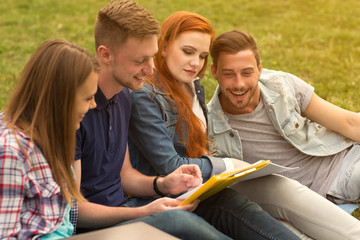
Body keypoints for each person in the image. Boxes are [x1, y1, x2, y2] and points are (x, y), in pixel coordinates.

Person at [128, 13, 360, 240]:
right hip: (179, 193)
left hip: (341, 161)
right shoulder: (149, 96)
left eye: (201, 56)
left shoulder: (193, 87)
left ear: (259, 69)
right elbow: (172, 165)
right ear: (165, 47)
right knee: (278, 194)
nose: (195, 63)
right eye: (188, 52)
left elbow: (350, 121)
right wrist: (228, 165)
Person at [73, 1, 242, 239]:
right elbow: (71, 210)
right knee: (180, 222)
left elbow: (124, 176)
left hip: (126, 208)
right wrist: (141, 212)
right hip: (94, 226)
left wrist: (163, 184)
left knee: (224, 201)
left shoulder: (123, 96)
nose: (151, 69)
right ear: (106, 55)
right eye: (140, 60)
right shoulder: (76, 112)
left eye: (152, 57)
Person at [0, 39, 99, 239]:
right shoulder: (11, 153)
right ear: (63, 99)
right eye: (88, 98)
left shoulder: (51, 132)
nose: (94, 105)